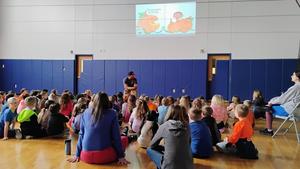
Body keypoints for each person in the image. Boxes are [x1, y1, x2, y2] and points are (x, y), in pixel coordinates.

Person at [67, 92, 129, 165]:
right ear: (107, 101)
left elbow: (81, 135)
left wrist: (77, 154)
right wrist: (121, 156)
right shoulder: (112, 113)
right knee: (124, 139)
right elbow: (116, 137)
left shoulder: (86, 112)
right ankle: (120, 154)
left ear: (94, 101)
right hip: (104, 156)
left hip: (85, 156)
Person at [147, 105, 193, 169]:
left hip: (170, 166)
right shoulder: (187, 126)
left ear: (169, 113)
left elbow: (152, 145)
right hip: (188, 165)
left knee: (149, 150)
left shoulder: (164, 126)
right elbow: (189, 144)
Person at [260, 71, 300, 135]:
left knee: (268, 109)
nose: (291, 76)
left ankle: (269, 130)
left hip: (290, 111)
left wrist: (271, 102)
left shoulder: (296, 87)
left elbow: (282, 100)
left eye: (293, 75)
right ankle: (268, 128)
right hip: (297, 111)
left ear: (297, 77)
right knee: (271, 105)